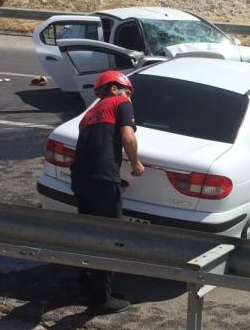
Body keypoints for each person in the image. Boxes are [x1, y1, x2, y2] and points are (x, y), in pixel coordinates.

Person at [70, 70, 145, 315]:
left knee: (88, 234)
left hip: (81, 180)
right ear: (114, 89)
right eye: (128, 91)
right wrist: (135, 164)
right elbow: (128, 138)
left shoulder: (88, 114)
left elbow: (96, 148)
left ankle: (85, 289)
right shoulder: (120, 102)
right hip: (103, 182)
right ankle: (102, 298)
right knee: (109, 238)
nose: (129, 97)